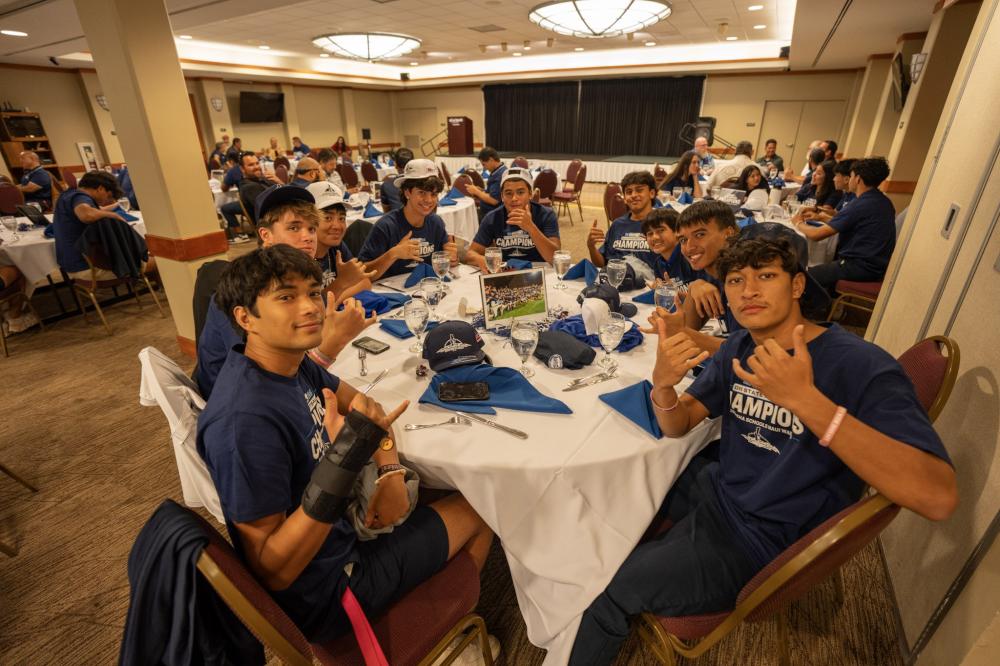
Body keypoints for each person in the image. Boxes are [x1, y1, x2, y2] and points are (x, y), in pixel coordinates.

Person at [569, 232, 957, 666]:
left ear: (797, 285)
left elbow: (938, 496)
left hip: (761, 539)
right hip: (721, 490)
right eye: (735, 280)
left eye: (766, 276)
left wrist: (809, 403)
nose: (748, 291)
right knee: (607, 497)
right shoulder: (740, 346)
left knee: (605, 591)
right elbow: (680, 424)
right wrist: (662, 387)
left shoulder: (861, 365)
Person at [197, 244, 494, 645]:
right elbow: (275, 571)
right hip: (332, 588)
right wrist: (344, 460)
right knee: (483, 504)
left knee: (435, 484)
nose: (311, 307)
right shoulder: (244, 423)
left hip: (345, 526)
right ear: (245, 317)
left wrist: (389, 469)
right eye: (286, 297)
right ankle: (451, 642)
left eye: (313, 292)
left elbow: (367, 407)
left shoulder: (289, 363)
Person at [195, 185, 372, 399]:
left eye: (312, 229)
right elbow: (267, 384)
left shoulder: (294, 277)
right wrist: (331, 346)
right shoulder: (245, 289)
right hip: (234, 398)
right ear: (265, 235)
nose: (308, 237)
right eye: (294, 228)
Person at [646, 200, 740, 355]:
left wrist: (679, 332)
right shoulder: (710, 275)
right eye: (683, 240)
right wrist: (694, 287)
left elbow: (749, 353)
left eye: (700, 234)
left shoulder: (745, 281)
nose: (689, 247)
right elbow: (686, 329)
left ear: (728, 234)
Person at [799, 157, 897, 294]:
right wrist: (820, 216)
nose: (850, 179)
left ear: (858, 179)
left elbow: (816, 235)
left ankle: (818, 305)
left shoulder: (860, 204)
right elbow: (846, 222)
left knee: (801, 276)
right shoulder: (884, 201)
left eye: (851, 176)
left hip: (859, 267)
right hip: (877, 266)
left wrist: (797, 222)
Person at [358, 159, 458, 279]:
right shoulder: (386, 226)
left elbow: (444, 263)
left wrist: (452, 259)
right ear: (407, 192)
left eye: (434, 194)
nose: (429, 200)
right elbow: (361, 274)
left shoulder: (436, 223)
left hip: (427, 286)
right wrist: (392, 254)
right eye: (421, 192)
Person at [465, 167, 561, 269]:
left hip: (540, 271)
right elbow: (470, 254)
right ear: (502, 196)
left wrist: (530, 227)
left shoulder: (546, 215)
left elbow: (555, 259)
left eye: (520, 192)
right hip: (506, 272)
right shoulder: (492, 218)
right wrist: (483, 260)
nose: (514, 198)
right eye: (508, 193)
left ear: (530, 194)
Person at [52, 170, 131, 280]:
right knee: (153, 262)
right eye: (108, 196)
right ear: (100, 188)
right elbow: (86, 214)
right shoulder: (80, 197)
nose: (107, 200)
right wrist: (115, 216)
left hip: (71, 266)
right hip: (89, 268)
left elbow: (95, 210)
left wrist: (115, 206)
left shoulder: (68, 195)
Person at [306, 181, 374, 300]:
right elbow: (310, 304)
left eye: (341, 218)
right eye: (328, 218)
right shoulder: (298, 255)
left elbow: (365, 282)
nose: (337, 226)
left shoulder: (336, 247)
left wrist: (335, 297)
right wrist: (342, 283)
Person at [587, 171, 658, 269]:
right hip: (616, 277)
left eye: (639, 190)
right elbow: (601, 263)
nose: (633, 195)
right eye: (629, 192)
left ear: (652, 193)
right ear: (624, 198)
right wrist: (591, 247)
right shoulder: (617, 225)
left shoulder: (661, 224)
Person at [640, 207, 701, 284]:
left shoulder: (691, 255)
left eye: (660, 231)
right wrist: (660, 289)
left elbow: (706, 288)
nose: (654, 237)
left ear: (677, 232)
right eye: (650, 234)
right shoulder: (658, 264)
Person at [801, 159, 857, 225]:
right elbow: (836, 213)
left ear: (846, 179)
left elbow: (843, 223)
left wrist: (820, 217)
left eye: (836, 176)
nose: (834, 179)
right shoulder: (847, 194)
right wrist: (815, 209)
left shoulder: (855, 198)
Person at [238, 153, 283, 224]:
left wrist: (279, 181)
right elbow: (270, 210)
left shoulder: (261, 179)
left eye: (257, 163)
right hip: (273, 223)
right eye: (251, 165)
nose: (256, 167)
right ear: (242, 169)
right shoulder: (250, 187)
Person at [465, 147, 506, 218]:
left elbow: (494, 200)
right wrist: (481, 190)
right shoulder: (498, 171)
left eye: (484, 164)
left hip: (492, 215)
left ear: (491, 160)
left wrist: (476, 192)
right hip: (489, 212)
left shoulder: (500, 175)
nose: (484, 168)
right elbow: (494, 193)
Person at [379, 147, 413, 213]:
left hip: (397, 219)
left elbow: (387, 213)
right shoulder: (423, 182)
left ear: (395, 165)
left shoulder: (386, 185)